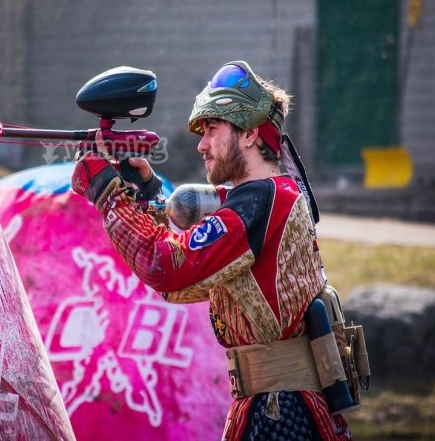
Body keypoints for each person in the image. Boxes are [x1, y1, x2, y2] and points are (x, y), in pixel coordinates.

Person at [71, 61, 354, 440]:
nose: (202, 144)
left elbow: (166, 266)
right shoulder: (276, 194)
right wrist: (148, 194)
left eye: (212, 129)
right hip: (279, 406)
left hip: (279, 415)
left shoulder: (259, 201)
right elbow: (185, 278)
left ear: (250, 133)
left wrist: (108, 193)